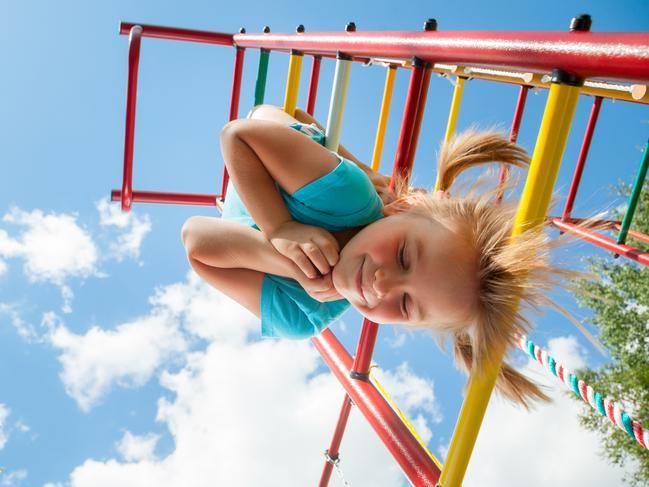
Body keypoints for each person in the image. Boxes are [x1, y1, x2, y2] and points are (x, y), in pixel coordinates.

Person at [182, 104, 566, 408]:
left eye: (404, 305)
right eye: (403, 256)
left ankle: (378, 182)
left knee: (362, 183)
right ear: (400, 215)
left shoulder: (303, 317)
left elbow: (195, 241)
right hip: (279, 138)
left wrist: (292, 265)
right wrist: (281, 229)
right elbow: (238, 136)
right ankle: (372, 176)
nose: (383, 285)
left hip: (263, 195)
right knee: (278, 119)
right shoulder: (347, 196)